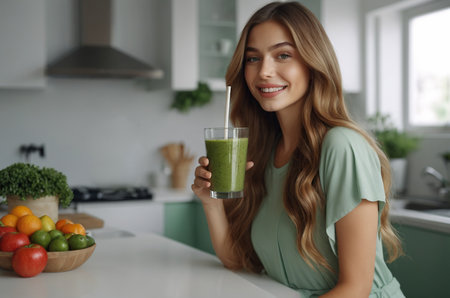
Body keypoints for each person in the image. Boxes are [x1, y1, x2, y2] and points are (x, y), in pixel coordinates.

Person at [192, 2, 405, 297]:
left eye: (283, 55)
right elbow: (237, 261)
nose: (264, 71)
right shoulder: (264, 152)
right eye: (253, 59)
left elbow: (355, 289)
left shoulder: (341, 146)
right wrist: (211, 202)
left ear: (312, 61)